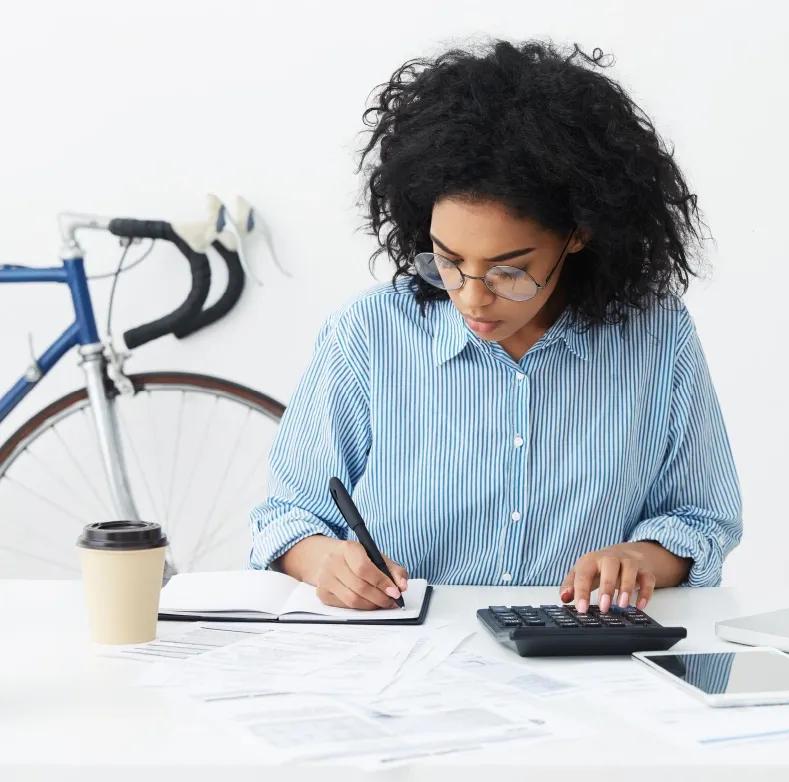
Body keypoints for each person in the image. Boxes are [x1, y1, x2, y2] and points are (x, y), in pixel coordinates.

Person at [249, 39, 742, 615]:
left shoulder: (656, 336)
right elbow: (286, 517)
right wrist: (325, 562)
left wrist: (640, 559)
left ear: (579, 234)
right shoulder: (368, 334)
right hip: (402, 652)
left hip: (584, 654)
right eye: (448, 261)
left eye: (509, 271)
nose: (472, 296)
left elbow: (701, 519)